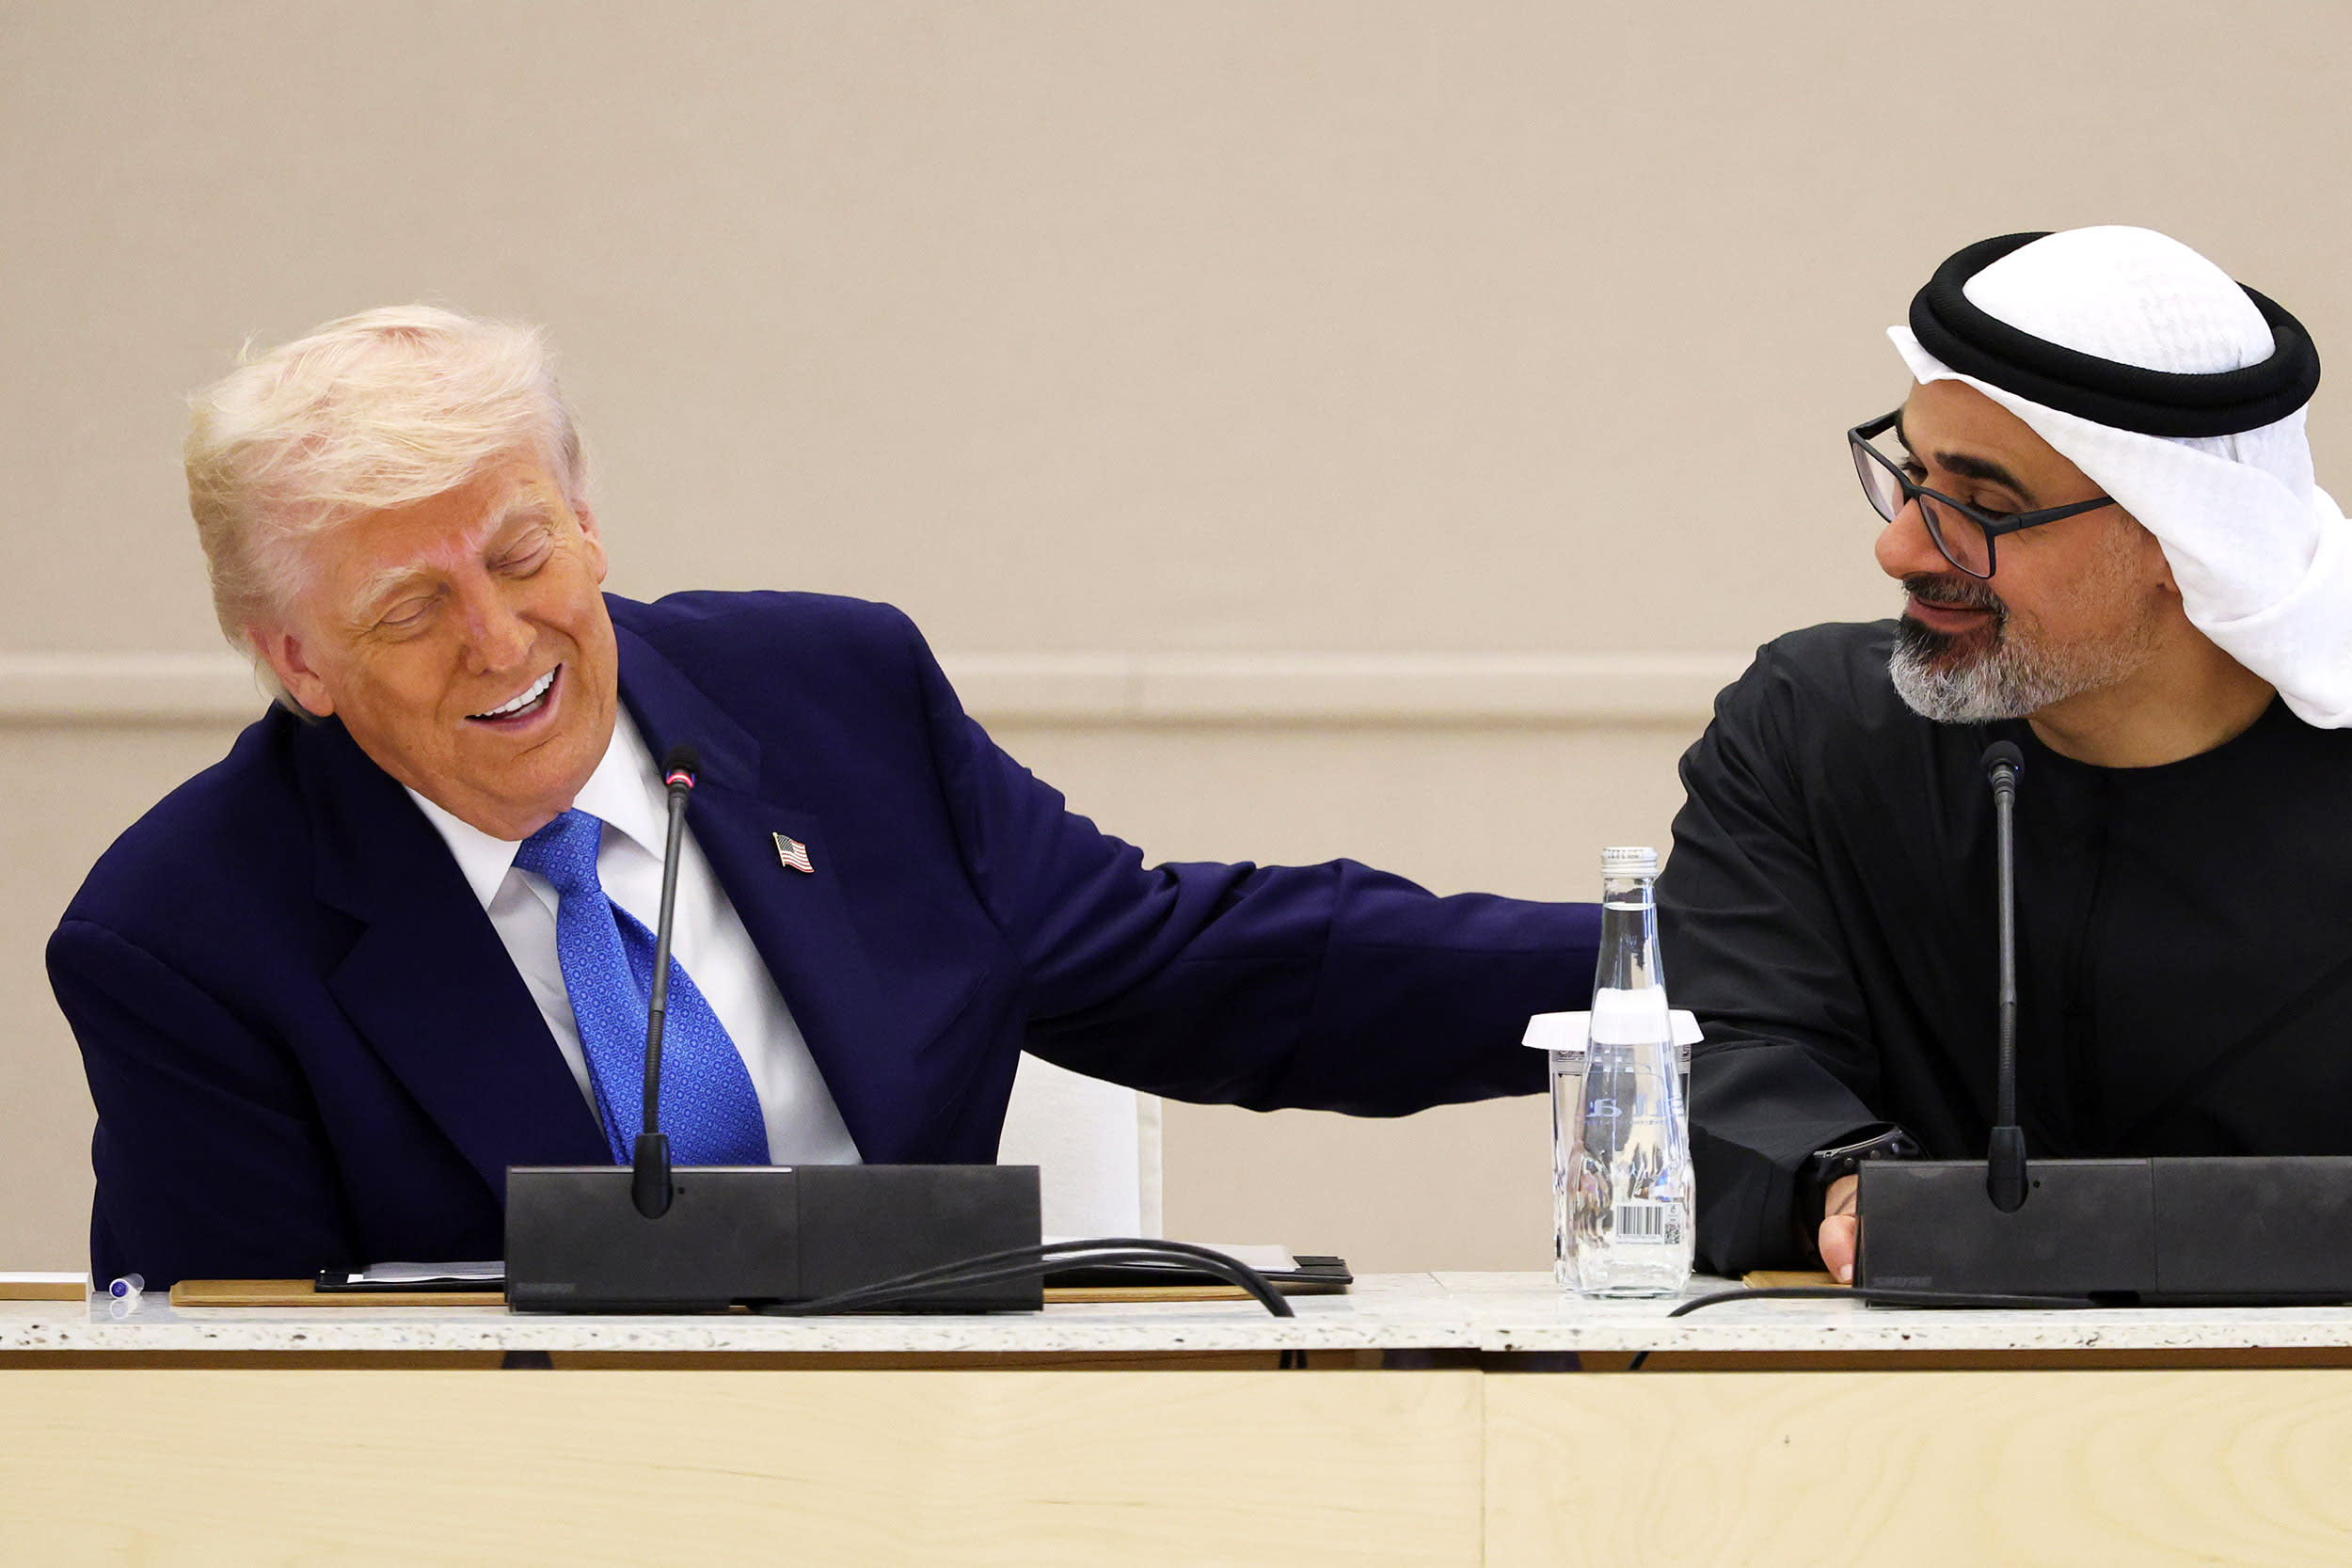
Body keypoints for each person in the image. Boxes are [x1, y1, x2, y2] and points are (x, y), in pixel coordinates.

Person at [51, 307, 1597, 1288]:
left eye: (525, 554)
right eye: (410, 609)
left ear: (587, 520)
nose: (500, 637)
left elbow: (1211, 968)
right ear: (295, 659)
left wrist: (1675, 975)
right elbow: (229, 1379)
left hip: (938, 1482)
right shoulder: (185, 937)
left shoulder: (830, 697)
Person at [1661, 227, 2352, 1279]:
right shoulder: (1812, 734)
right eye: (1910, 474)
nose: (1898, 547)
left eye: (1984, 508)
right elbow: (1721, 1051)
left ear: (2183, 541)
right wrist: (1839, 1184)